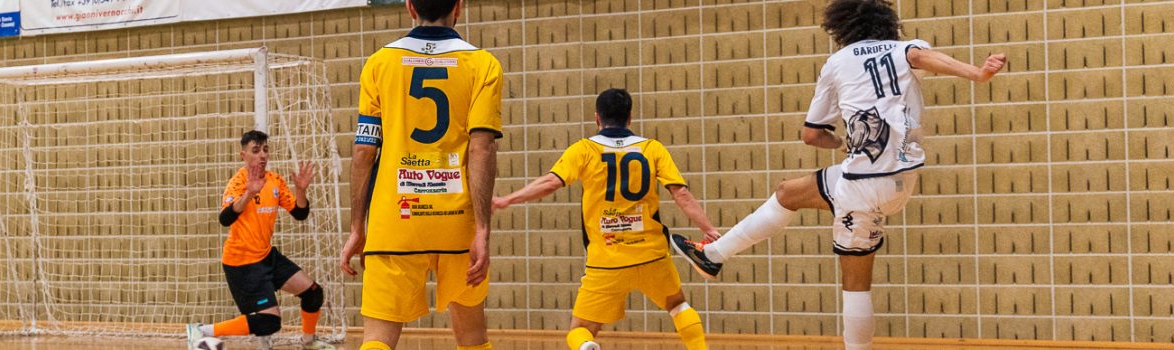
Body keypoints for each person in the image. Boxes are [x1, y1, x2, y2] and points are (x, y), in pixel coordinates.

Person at [669, 1, 1007, 349]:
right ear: (887, 23)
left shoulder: (837, 62)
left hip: (862, 182)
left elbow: (811, 134)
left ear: (841, 28)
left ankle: (714, 256)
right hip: (899, 181)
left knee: (828, 245)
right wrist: (977, 73)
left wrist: (843, 141)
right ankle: (713, 256)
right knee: (809, 218)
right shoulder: (906, 48)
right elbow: (920, 58)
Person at [493, 89, 717, 350]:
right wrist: (709, 229)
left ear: (597, 118)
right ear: (630, 118)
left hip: (606, 260)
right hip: (652, 255)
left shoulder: (584, 149)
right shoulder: (652, 148)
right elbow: (682, 194)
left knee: (581, 330)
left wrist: (507, 199)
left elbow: (550, 183)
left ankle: (588, 347)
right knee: (678, 305)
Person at [338, 0, 504, 348]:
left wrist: (357, 228)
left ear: (409, 6)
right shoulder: (483, 64)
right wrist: (483, 230)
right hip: (456, 222)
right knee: (473, 338)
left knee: (377, 340)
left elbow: (364, 151)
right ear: (459, 6)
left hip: (395, 220)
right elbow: (481, 149)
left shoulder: (380, 63)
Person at [185, 130, 331, 350]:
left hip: (266, 255)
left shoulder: (275, 181)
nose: (262, 155)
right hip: (242, 262)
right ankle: (201, 330)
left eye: (265, 150)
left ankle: (308, 343)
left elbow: (300, 213)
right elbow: (225, 218)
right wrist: (249, 194)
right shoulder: (238, 183)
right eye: (256, 150)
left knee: (313, 293)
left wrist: (301, 191)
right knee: (269, 322)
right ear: (244, 155)